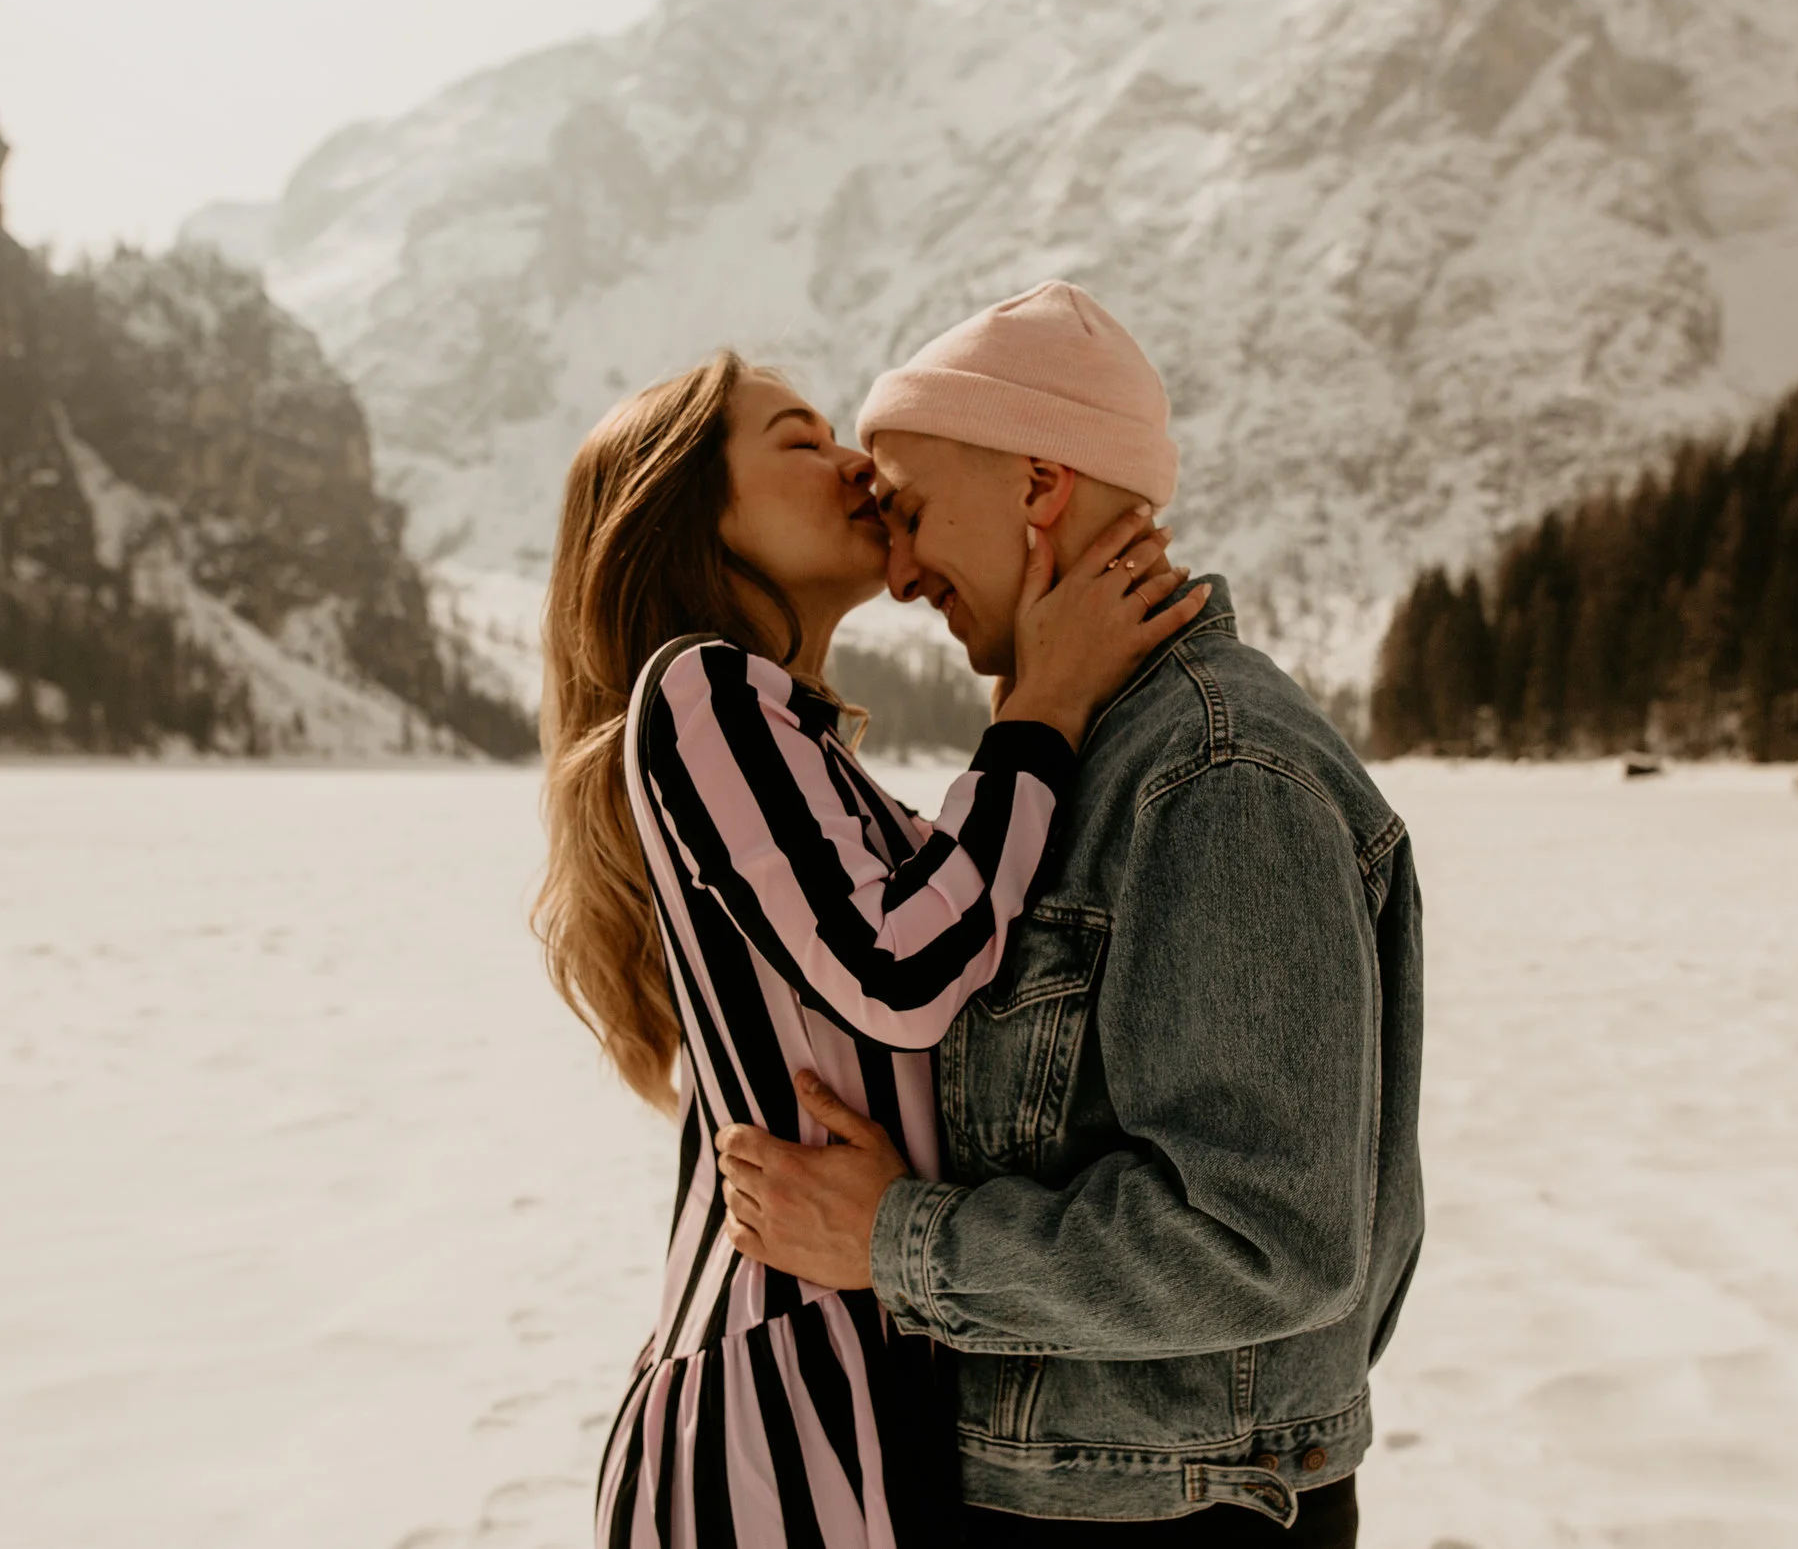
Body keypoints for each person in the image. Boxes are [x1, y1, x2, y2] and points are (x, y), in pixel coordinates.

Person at [714, 283, 1426, 1546]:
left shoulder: (1216, 771)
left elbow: (1263, 1240)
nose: (899, 564)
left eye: (915, 508)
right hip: (1097, 1488)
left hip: (1167, 1506)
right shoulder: (1077, 755)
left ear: (1040, 486)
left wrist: (896, 1242)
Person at [534, 347, 1210, 1549]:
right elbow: (903, 969)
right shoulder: (700, 691)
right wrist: (1041, 708)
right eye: (798, 440)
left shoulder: (794, 748)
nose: (855, 461)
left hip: (856, 1370)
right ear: (687, 512)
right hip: (776, 1406)